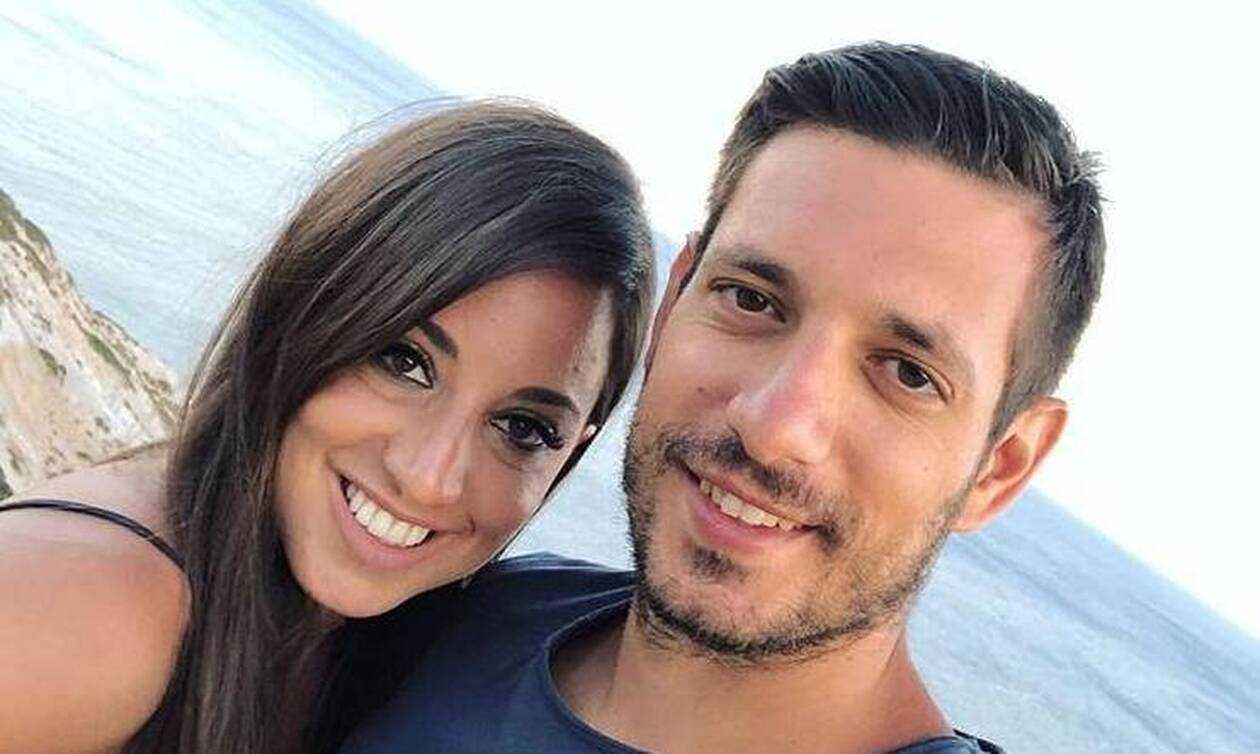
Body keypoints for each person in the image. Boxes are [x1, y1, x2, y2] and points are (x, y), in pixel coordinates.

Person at [337, 42, 1105, 753]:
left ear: (1001, 466)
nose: (774, 425)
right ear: (673, 303)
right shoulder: (465, 619)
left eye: (906, 372)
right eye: (752, 300)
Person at [0, 101, 655, 754]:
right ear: (304, 306)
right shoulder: (90, 607)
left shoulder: (387, 643)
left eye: (521, 428)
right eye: (404, 362)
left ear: (572, 451)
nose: (430, 479)